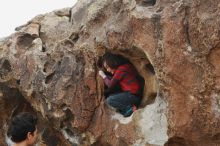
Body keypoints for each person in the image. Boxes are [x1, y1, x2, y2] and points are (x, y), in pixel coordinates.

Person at [98, 53, 142, 117]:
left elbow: (110, 84)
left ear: (112, 63)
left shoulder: (121, 70)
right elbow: (114, 80)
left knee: (110, 100)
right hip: (135, 96)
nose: (107, 70)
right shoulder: (125, 66)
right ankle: (128, 108)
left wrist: (103, 76)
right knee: (112, 96)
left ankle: (130, 108)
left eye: (107, 67)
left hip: (132, 96)